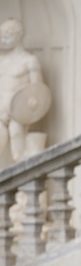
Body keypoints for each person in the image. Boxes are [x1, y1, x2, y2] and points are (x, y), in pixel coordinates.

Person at [0, 18, 49, 164]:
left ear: (18, 35)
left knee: (17, 142)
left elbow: (37, 91)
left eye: (6, 36)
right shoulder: (1, 60)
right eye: (1, 36)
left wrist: (22, 111)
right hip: (0, 109)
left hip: (18, 112)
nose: (2, 40)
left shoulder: (29, 60)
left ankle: (20, 181)